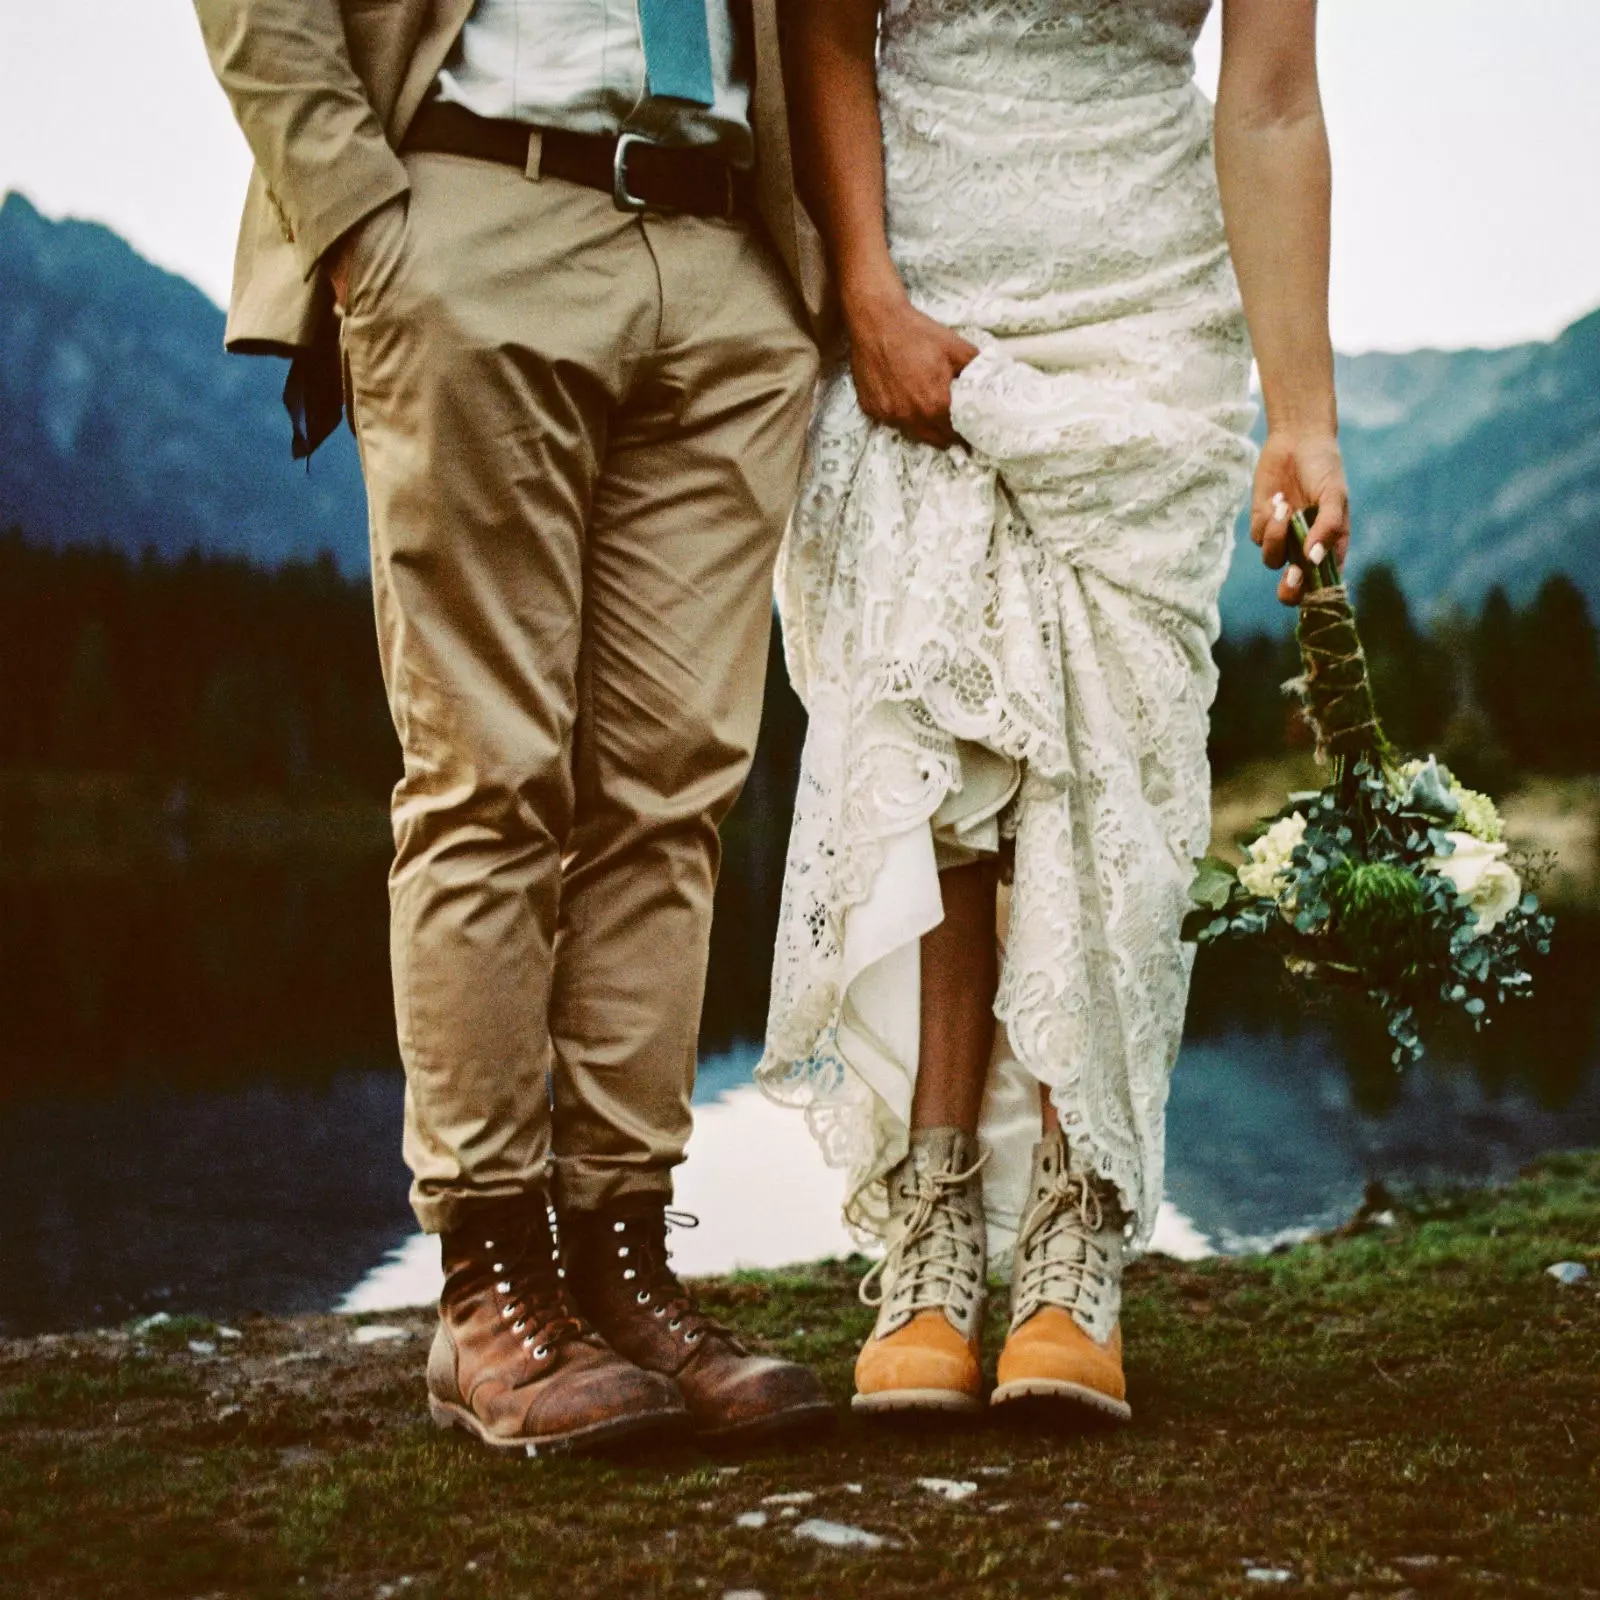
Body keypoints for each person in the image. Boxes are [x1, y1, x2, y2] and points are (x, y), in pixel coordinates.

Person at [193, 0, 834, 1454]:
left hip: (726, 247)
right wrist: (355, 214)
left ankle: (622, 1266)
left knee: (674, 788)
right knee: (489, 775)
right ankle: (489, 1289)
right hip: (477, 200)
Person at [759, 0, 1350, 1424]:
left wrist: (1304, 410)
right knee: (939, 739)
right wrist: (867, 290)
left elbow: (1270, 104)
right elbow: (822, 31)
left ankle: (1081, 1227)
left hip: (1148, 317)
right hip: (925, 279)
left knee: (1113, 754)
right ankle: (937, 1212)